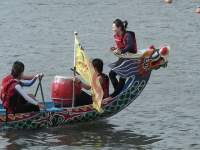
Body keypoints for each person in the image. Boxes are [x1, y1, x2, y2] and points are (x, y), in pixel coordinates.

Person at [109, 19, 137, 98]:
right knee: (111, 74)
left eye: (113, 27)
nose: (112, 29)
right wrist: (114, 49)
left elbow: (130, 45)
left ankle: (116, 94)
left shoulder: (128, 35)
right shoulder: (116, 36)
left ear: (119, 28)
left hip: (131, 58)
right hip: (123, 58)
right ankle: (119, 92)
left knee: (122, 76)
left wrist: (121, 51)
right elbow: (120, 46)